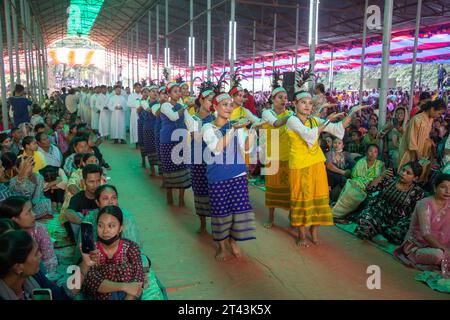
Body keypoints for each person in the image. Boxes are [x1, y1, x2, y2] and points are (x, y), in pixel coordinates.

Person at [286, 89, 365, 247]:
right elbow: (308, 134)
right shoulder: (292, 120)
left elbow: (337, 128)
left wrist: (352, 112)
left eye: (309, 103)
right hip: (299, 165)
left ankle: (314, 230)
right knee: (302, 199)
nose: (307, 106)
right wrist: (327, 121)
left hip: (316, 163)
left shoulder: (314, 120)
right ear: (295, 104)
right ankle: (302, 233)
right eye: (303, 102)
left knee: (319, 197)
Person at [202, 82, 262, 261]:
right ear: (215, 107)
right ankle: (221, 245)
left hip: (237, 174)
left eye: (230, 105)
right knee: (220, 212)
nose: (229, 108)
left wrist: (252, 131)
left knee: (238, 211)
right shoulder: (207, 127)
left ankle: (233, 241)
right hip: (218, 176)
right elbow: (217, 148)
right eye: (224, 105)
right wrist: (233, 130)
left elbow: (246, 148)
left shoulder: (235, 126)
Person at [81, 205, 144, 300]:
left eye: (111, 226)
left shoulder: (131, 247)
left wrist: (129, 296)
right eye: (100, 225)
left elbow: (138, 279)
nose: (105, 231)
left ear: (120, 228)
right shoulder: (92, 251)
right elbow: (93, 282)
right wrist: (125, 286)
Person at [355, 161, 425, 245]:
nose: (403, 173)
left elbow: (414, 213)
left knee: (403, 231)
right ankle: (375, 234)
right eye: (403, 170)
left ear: (415, 178)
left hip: (396, 221)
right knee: (365, 220)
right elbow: (369, 189)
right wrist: (381, 176)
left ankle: (377, 233)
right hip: (377, 213)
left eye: (408, 173)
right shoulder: (389, 180)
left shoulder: (418, 192)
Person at [394, 174, 450, 271]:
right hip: (418, 247)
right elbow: (426, 234)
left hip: (442, 247)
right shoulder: (425, 204)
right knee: (439, 255)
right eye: (443, 187)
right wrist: (445, 250)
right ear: (435, 188)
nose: (448, 191)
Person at [260, 78, 292, 229]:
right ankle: (271, 217)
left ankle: (292, 215)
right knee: (272, 189)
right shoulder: (267, 113)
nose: (283, 100)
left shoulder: (290, 113)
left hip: (288, 155)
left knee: (290, 188)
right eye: (280, 97)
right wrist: (294, 116)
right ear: (273, 99)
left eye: (285, 98)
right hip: (272, 156)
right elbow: (276, 124)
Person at [184, 81, 216, 234]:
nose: (212, 103)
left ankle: (216, 222)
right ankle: (202, 222)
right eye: (210, 100)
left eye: (214, 101)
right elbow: (196, 138)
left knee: (214, 189)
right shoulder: (193, 119)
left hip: (213, 158)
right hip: (198, 158)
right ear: (202, 101)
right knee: (200, 189)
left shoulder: (216, 117)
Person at [0, 196, 58, 274]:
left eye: (32, 210)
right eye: (29, 212)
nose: (34, 214)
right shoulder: (7, 238)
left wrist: (48, 276)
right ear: (15, 219)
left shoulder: (39, 229)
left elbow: (49, 258)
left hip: (39, 270)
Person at [398, 99, 447, 183]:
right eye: (439, 113)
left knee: (418, 173)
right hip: (410, 152)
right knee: (407, 172)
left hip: (421, 151)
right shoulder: (417, 119)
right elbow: (412, 140)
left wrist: (429, 142)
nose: (439, 116)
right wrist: (418, 155)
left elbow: (424, 136)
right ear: (432, 109)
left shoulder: (430, 119)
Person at [333, 144, 385, 222]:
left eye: (375, 152)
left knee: (355, 191)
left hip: (370, 186)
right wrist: (359, 182)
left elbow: (383, 178)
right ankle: (337, 214)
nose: (372, 154)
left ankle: (337, 214)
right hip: (356, 183)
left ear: (377, 154)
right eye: (370, 151)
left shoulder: (381, 164)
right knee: (350, 186)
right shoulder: (361, 161)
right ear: (366, 152)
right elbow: (353, 175)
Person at [159, 82, 192, 207]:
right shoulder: (165, 106)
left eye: (179, 91)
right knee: (169, 167)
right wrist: (185, 108)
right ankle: (169, 195)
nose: (178, 93)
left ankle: (181, 197)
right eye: (175, 91)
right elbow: (173, 117)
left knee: (182, 167)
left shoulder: (181, 105)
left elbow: (189, 121)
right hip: (168, 140)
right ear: (168, 94)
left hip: (181, 139)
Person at [63, 164, 102, 241]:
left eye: (98, 181)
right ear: (83, 182)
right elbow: (68, 213)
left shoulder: (103, 196)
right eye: (91, 181)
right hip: (83, 234)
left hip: (101, 231)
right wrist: (85, 223)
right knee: (76, 216)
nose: (95, 185)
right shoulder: (77, 197)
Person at [326, 138, 355, 203]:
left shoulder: (346, 154)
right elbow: (329, 166)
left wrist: (349, 171)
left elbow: (353, 164)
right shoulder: (329, 154)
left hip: (342, 177)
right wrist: (343, 172)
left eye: (339, 143)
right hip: (334, 178)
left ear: (343, 146)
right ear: (332, 144)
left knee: (351, 165)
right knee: (329, 169)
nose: (337, 145)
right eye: (335, 143)